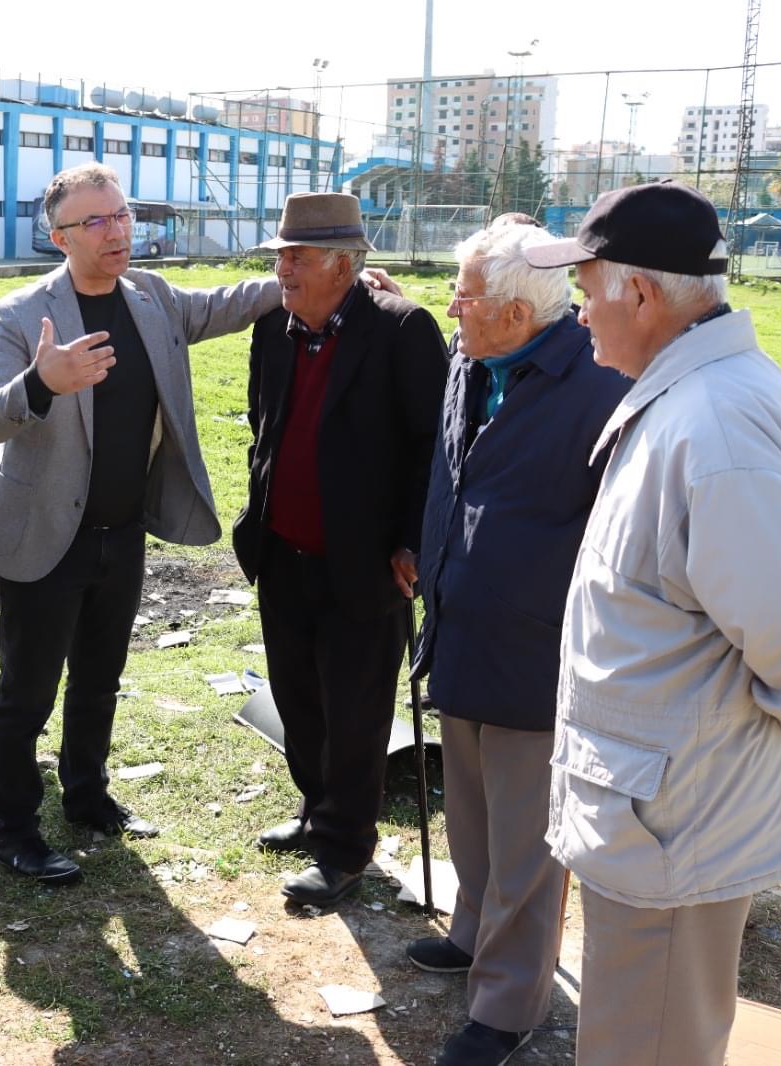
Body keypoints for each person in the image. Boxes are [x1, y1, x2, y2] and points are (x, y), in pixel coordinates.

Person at [523, 180, 781, 1065]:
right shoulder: (691, 399)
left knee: (651, 1044)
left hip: (677, 817)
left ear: (638, 292)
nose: (578, 306)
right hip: (660, 804)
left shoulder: (715, 425)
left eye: (587, 284)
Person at [0, 162, 282, 884]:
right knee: (26, 692)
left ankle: (87, 796)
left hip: (119, 531)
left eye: (122, 215)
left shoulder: (152, 298)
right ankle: (15, 828)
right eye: (96, 222)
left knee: (100, 679)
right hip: (41, 536)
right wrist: (41, 383)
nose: (117, 232)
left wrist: (308, 278)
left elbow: (229, 302)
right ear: (58, 238)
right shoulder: (21, 315)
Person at [408, 224, 629, 1066]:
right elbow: (447, 471)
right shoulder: (473, 358)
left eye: (463, 296)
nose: (451, 309)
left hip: (538, 648)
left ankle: (508, 1005)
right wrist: (426, 561)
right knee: (468, 808)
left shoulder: (599, 383)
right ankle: (470, 932)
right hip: (459, 625)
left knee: (530, 843)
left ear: (512, 310)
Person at [231, 191, 448, 908]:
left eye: (296, 257)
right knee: (299, 700)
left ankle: (345, 848)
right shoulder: (274, 327)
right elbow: (266, 428)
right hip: (285, 552)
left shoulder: (402, 329)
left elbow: (432, 450)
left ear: (344, 265)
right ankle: (315, 810)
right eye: (280, 255)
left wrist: (414, 541)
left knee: (355, 712)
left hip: (366, 564)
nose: (282, 269)